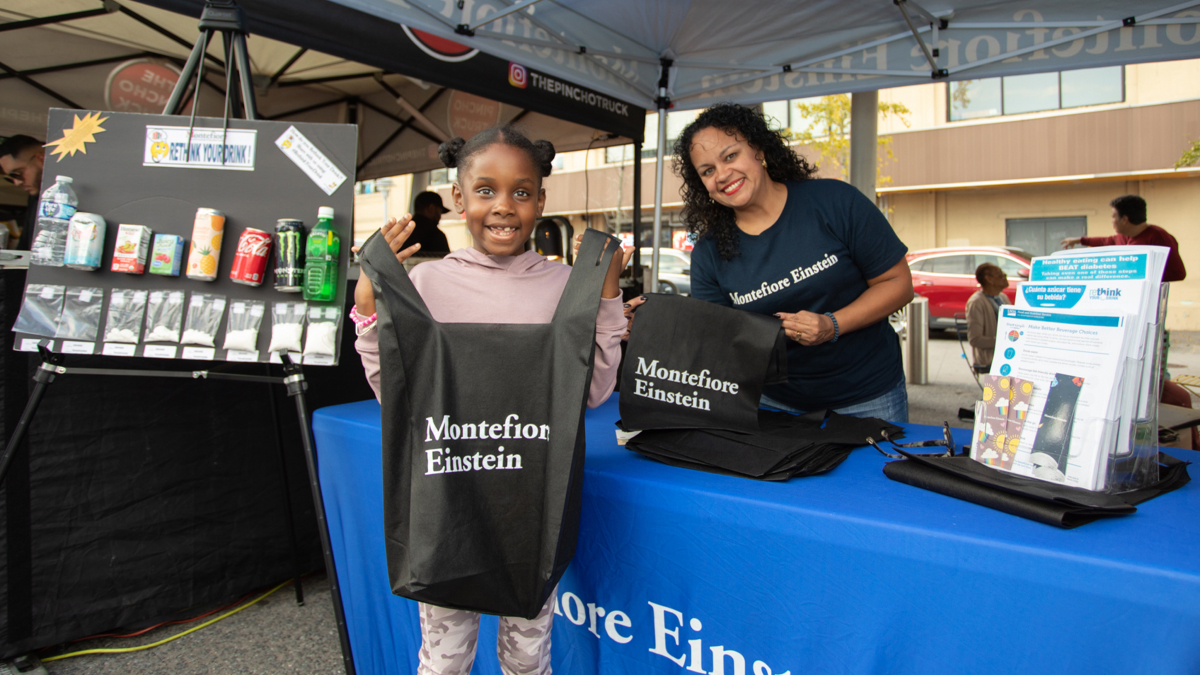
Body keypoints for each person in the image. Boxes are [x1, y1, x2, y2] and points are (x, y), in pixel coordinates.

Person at [351, 126, 629, 675]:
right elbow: (399, 393)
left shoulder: (565, 286)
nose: (503, 207)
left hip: (529, 512)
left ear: (541, 201)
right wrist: (367, 306)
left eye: (521, 192)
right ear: (458, 198)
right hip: (447, 509)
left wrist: (607, 297)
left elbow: (592, 392)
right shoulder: (426, 283)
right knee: (444, 662)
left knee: (528, 661)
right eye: (485, 190)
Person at [647, 103, 913, 421]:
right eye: (707, 171)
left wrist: (832, 325)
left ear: (758, 150)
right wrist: (657, 326)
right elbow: (720, 341)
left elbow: (898, 284)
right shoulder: (708, 253)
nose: (722, 175)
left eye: (730, 156)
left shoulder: (835, 202)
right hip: (774, 405)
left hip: (869, 396)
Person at [1060, 194, 1186, 282]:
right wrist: (1080, 240)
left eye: (1113, 217)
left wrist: (1139, 274)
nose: (1111, 221)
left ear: (1125, 219)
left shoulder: (1160, 238)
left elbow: (1179, 273)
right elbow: (1107, 241)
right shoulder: (1124, 236)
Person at [0, 134, 46, 249]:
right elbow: (25, 246)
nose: (17, 183)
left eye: (18, 173)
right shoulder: (35, 197)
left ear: (41, 159)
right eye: (10, 178)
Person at [964, 262, 1010, 370]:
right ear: (989, 279)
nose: (1005, 276)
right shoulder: (976, 302)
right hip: (990, 358)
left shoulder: (1003, 297)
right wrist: (1004, 341)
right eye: (1000, 274)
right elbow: (975, 339)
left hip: (1008, 354)